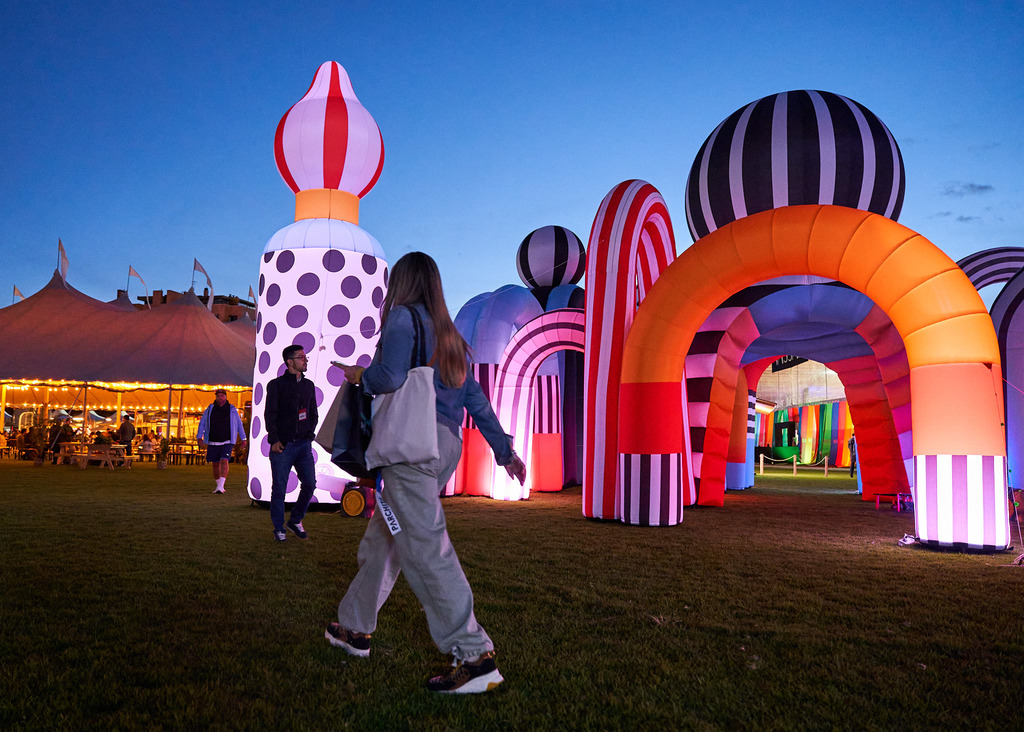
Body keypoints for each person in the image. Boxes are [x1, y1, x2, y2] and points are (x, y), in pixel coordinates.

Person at [329, 251, 527, 695]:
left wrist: (359, 374)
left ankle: (474, 655)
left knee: (423, 546)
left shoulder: (401, 319)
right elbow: (475, 399)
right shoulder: (450, 335)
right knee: (389, 536)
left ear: (402, 282)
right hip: (444, 446)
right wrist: (504, 451)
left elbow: (389, 376)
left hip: (409, 445)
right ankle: (353, 627)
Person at [264, 344, 319, 541]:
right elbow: (270, 415)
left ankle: (295, 520)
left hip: (304, 444)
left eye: (305, 357)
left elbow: (313, 413)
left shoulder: (308, 385)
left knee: (310, 484)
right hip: (283, 446)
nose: (305, 360)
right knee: (279, 488)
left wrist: (310, 434)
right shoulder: (276, 385)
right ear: (289, 362)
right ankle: (279, 528)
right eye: (301, 357)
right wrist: (275, 439)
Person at [197, 389, 248, 494]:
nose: (220, 397)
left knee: (224, 460)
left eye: (222, 395)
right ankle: (218, 486)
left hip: (227, 440)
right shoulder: (210, 409)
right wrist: (199, 437)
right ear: (216, 397)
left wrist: (244, 438)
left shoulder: (232, 409)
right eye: (218, 395)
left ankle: (221, 486)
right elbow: (202, 423)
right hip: (212, 440)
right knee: (215, 463)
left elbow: (239, 424)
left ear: (226, 397)